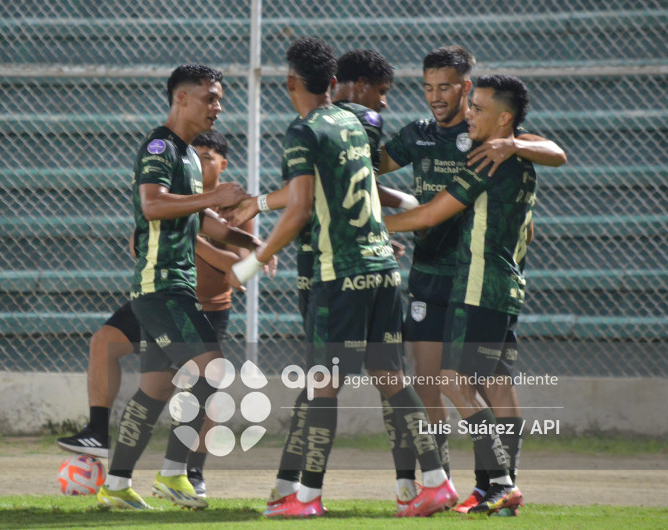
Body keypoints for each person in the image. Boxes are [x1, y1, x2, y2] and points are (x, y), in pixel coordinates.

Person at [229, 37, 456, 518]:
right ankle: (435, 482)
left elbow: (300, 208)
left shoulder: (303, 130)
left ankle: (305, 498)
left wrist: (251, 262)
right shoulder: (353, 123)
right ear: (333, 84)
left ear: (290, 82)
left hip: (340, 272)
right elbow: (358, 189)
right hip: (382, 268)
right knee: (392, 378)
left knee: (322, 384)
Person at [378, 45, 566, 512]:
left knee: (455, 380)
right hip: (496, 281)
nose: (467, 114)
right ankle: (491, 486)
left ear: (502, 120)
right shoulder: (512, 156)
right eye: (428, 88)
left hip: (479, 282)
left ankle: (499, 480)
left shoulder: (488, 159)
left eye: (476, 107)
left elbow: (429, 215)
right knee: (489, 379)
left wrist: (364, 227)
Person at [94, 63, 268, 511]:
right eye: (210, 96)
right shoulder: (159, 145)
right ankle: (174, 475)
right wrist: (214, 197)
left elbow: (199, 218)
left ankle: (115, 484)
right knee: (212, 370)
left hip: (177, 287)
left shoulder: (189, 155)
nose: (218, 105)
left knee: (155, 388)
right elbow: (152, 204)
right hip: (160, 286)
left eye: (219, 97)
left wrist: (252, 241)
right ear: (182, 99)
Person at [55, 131, 263, 499]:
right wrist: (191, 226)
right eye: (195, 155)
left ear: (224, 164)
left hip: (205, 310)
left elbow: (237, 273)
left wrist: (199, 233)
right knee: (124, 357)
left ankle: (185, 473)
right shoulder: (174, 197)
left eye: (208, 156)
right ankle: (116, 457)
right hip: (164, 300)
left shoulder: (234, 209)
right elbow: (139, 242)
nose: (201, 161)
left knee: (187, 387)